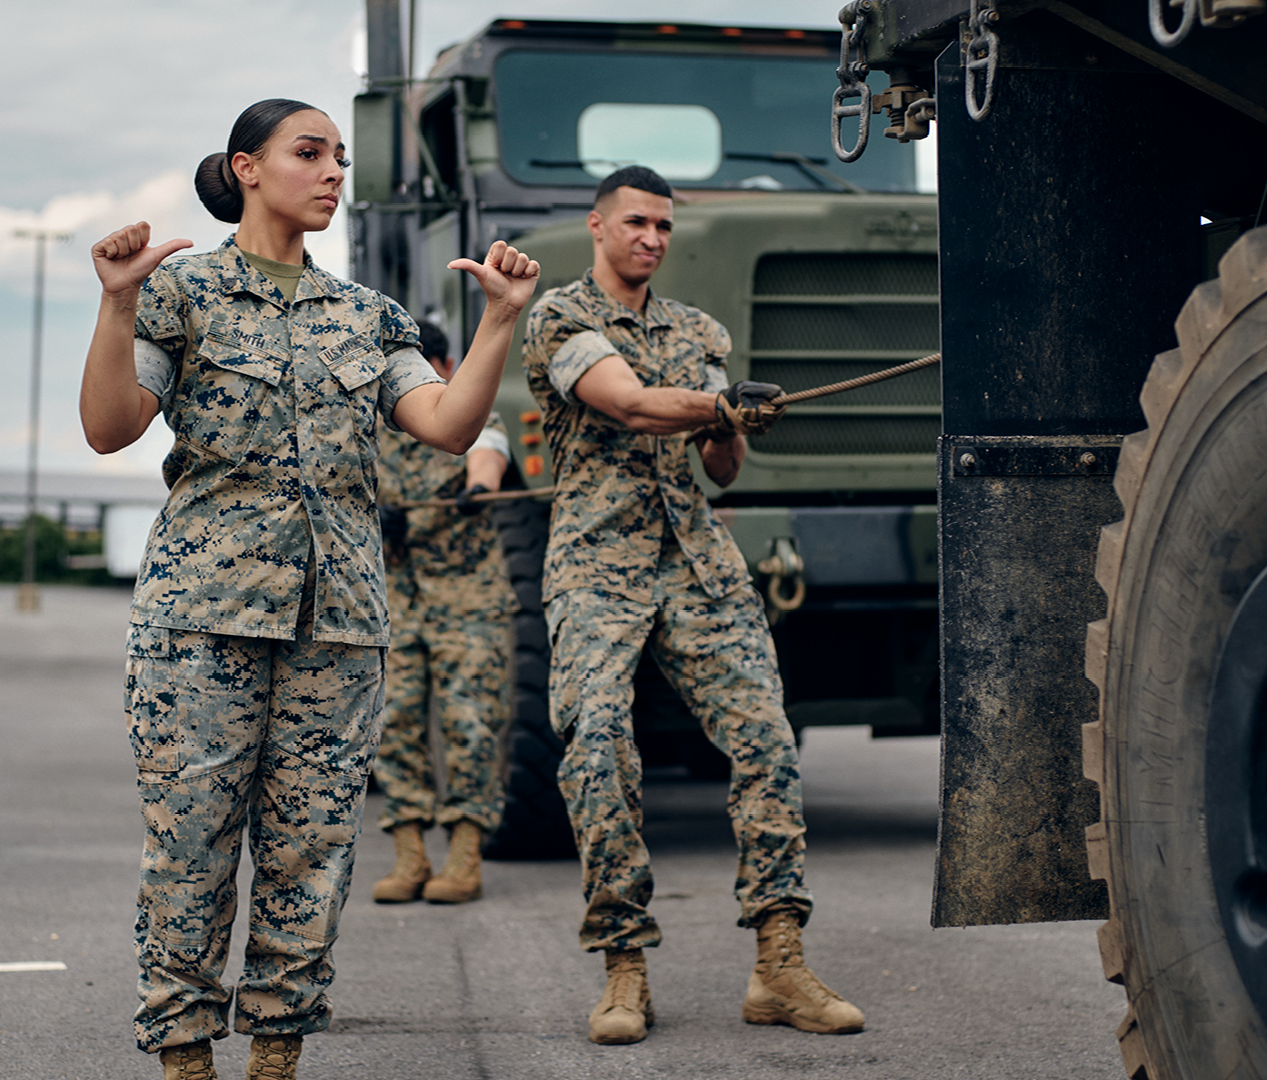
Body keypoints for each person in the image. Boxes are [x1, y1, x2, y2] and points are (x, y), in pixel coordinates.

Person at [78, 98, 538, 1080]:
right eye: (309, 153)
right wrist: (117, 304)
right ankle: (187, 1060)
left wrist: (499, 322)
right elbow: (110, 427)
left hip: (338, 629)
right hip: (202, 621)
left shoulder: (367, 318)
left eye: (338, 156)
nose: (333, 172)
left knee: (311, 859)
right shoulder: (183, 293)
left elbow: (450, 425)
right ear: (246, 168)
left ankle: (277, 1062)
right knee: (191, 852)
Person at [520, 165, 864, 1045]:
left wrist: (731, 425)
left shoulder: (698, 330)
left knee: (767, 743)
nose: (652, 239)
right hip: (598, 564)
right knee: (596, 746)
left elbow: (719, 471)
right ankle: (624, 968)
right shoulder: (562, 317)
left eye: (664, 227)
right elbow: (628, 406)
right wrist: (715, 402)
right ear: (598, 227)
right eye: (636, 223)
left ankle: (779, 963)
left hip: (698, 565)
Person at [368, 321, 516, 905]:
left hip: (468, 599)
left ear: (448, 366)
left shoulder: (472, 415)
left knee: (472, 722)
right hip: (396, 602)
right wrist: (376, 518)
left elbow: (489, 452)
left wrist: (479, 487)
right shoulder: (376, 432)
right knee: (394, 723)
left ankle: (465, 855)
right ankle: (410, 854)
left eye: (430, 365)